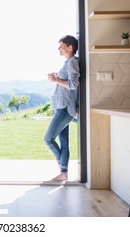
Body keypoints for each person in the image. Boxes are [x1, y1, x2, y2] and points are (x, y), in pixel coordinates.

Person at [44, 35, 80, 181]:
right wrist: (57, 76)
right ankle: (63, 173)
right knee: (64, 142)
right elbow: (68, 81)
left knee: (48, 139)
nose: (59, 50)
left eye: (61, 47)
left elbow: (73, 84)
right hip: (61, 106)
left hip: (65, 108)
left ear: (70, 47)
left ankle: (62, 166)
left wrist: (56, 79)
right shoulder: (68, 63)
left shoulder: (72, 62)